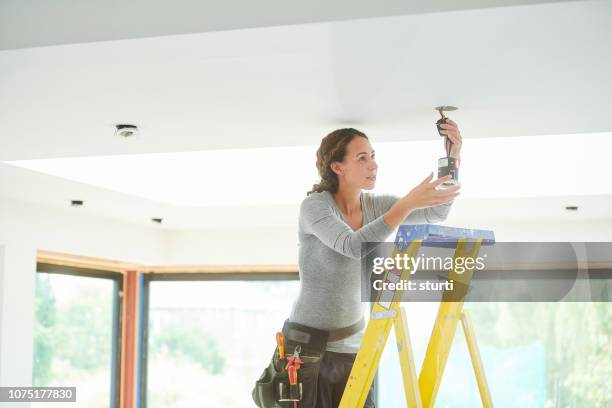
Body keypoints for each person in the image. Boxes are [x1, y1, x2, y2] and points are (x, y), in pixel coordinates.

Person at [288, 122, 462, 408]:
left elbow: (437, 211)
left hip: (354, 344)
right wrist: (405, 205)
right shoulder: (315, 207)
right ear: (337, 167)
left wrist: (453, 159)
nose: (374, 164)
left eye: (372, 156)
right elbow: (352, 246)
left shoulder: (377, 207)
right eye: (362, 158)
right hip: (307, 348)